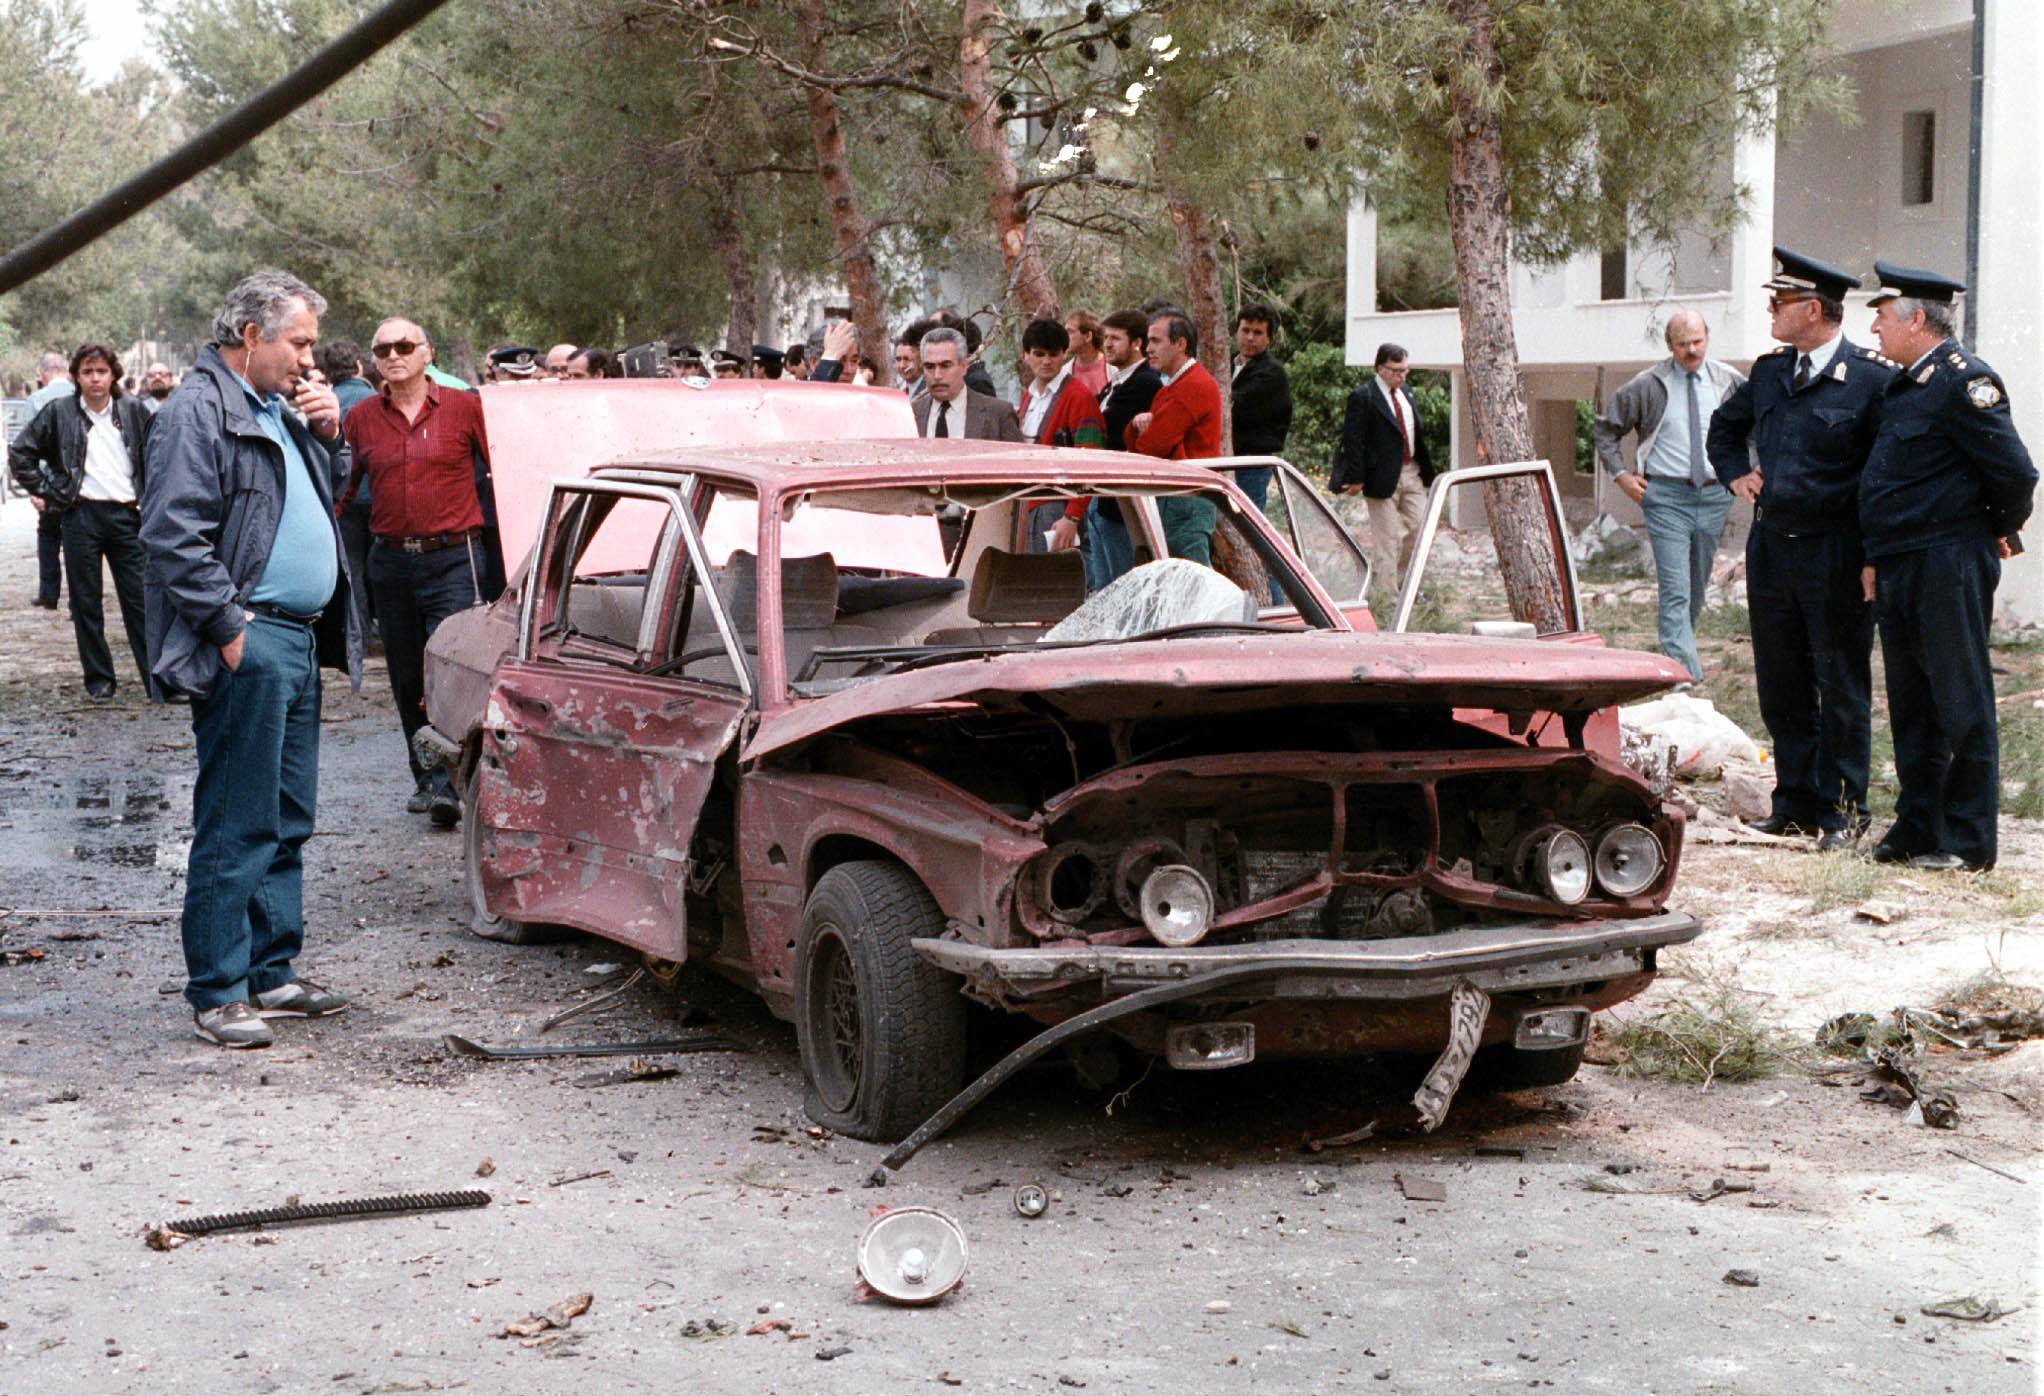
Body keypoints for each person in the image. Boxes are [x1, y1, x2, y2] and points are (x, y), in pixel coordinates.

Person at [140, 270, 362, 1048]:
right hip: (252, 637)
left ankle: (272, 971)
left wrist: (331, 438)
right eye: (298, 343)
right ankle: (218, 988)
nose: (309, 359)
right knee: (239, 815)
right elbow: (171, 533)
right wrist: (230, 630)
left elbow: (325, 496)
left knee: (287, 815)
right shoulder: (197, 410)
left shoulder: (278, 407)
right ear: (251, 336)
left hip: (296, 635)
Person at [1708, 248, 1895, 850]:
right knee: (1781, 683)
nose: (1770, 309)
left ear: (1814, 310)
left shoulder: (1872, 378)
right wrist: (1737, 473)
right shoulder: (1769, 371)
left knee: (1840, 686)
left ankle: (1843, 812)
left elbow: (1887, 472)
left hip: (1836, 553)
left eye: (1780, 302)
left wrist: (1872, 555)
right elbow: (1724, 428)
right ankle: (1794, 803)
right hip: (1773, 548)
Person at [1859, 262, 2036, 872]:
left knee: (1960, 700)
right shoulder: (1904, 386)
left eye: (1882, 317)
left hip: (1948, 561)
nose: (1875, 329)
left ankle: (1967, 842)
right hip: (1903, 563)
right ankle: (1917, 828)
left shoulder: (1966, 381)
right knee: (1912, 703)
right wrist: (1877, 557)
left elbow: (2015, 472)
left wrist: (1990, 529)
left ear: (1915, 319)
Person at [338, 317, 493, 828]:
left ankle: (466, 777)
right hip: (391, 562)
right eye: (383, 348)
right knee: (406, 676)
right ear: (373, 359)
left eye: (404, 346)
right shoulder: (359, 418)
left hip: (455, 557)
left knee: (453, 670)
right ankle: (430, 781)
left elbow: (498, 476)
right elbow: (345, 489)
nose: (393, 355)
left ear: (427, 353)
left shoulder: (467, 408)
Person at [1593, 312, 1746, 681]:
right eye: (1682, 344)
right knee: (1676, 589)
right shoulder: (1648, 385)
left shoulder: (1730, 382)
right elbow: (1605, 430)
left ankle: (1680, 654)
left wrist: (1745, 472)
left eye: (1697, 342)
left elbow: (1756, 431)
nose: (1691, 350)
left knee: (1696, 588)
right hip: (1665, 498)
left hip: (1714, 496)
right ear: (1669, 345)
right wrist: (1621, 476)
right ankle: (1685, 677)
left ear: (1706, 337)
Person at [8, 343, 155, 699]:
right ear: (75, 376)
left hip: (127, 515)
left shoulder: (134, 410)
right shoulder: (60, 411)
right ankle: (99, 681)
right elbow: (20, 452)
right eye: (87, 372)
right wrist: (52, 491)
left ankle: (158, 679)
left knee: (141, 602)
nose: (94, 379)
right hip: (81, 514)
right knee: (85, 602)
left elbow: (158, 455)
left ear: (113, 374)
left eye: (101, 371)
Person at [1333, 343, 1435, 594]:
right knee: (1387, 539)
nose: (1402, 375)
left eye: (1405, 370)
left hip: (1411, 472)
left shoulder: (1406, 393)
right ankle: (1387, 597)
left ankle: (1406, 587)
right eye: (1396, 370)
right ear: (1380, 368)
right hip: (1380, 477)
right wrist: (1356, 477)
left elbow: (1415, 435)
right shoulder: (1363, 395)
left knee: (1421, 529)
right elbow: (1353, 439)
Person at [1126, 311, 1224, 564]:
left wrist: (1143, 431)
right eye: (1148, 342)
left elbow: (1151, 447)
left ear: (1180, 344)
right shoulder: (1174, 387)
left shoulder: (1193, 386)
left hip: (1187, 499)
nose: (1148, 349)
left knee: (1193, 584)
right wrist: (1139, 427)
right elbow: (1145, 441)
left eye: (1156, 341)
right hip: (1177, 497)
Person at [1077, 308, 1163, 590]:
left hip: (1122, 502)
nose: (1108, 344)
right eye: (1106, 337)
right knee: (1104, 589)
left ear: (1137, 343)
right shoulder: (1116, 383)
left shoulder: (1145, 382)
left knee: (1122, 587)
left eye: (1116, 338)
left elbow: (1110, 430)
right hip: (1101, 498)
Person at [1014, 317, 1106, 553]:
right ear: (1026, 355)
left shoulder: (1079, 397)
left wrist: (1072, 517)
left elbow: (1092, 461)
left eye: (1054, 354)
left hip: (1059, 510)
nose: (1046, 361)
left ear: (1064, 354)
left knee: (1056, 585)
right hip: (1027, 508)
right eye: (1039, 354)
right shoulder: (1029, 397)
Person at [320, 341, 377, 644]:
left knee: (351, 567)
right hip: (379, 495)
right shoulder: (379, 401)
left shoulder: (325, 404)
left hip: (342, 498)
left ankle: (360, 633)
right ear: (359, 365)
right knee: (380, 563)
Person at [15, 350, 73, 609]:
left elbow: (28, 448)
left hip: (49, 481)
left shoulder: (37, 400)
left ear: (43, 373)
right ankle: (79, 600)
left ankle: (49, 592)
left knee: (49, 535)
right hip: (79, 483)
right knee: (78, 540)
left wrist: (36, 489)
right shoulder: (79, 397)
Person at [1229, 303, 1293, 510]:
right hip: (1225, 459)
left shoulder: (1271, 373)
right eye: (1245, 330)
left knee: (1247, 522)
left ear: (1269, 338)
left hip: (1250, 464)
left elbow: (1236, 405)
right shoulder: (1227, 364)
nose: (1249, 338)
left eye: (1257, 333)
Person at [1064, 308, 1108, 398]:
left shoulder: (1112, 369)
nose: (1064, 337)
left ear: (1088, 336)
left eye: (1070, 332)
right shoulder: (1064, 373)